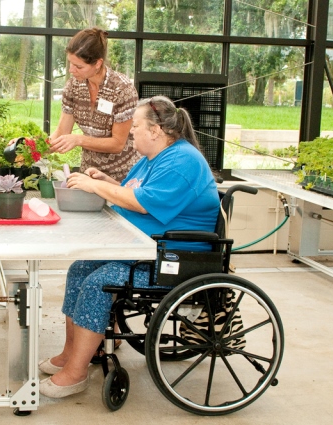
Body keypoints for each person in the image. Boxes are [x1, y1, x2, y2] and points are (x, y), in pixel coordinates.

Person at [38, 96, 220, 398]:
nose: (131, 131)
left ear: (156, 130)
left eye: (135, 126)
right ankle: (70, 354)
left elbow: (142, 204)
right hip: (147, 250)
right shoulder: (155, 159)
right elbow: (133, 192)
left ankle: (76, 372)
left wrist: (95, 186)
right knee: (79, 268)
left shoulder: (182, 161)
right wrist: (107, 180)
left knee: (100, 282)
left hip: (172, 260)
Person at [50, 27, 141, 182]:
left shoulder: (122, 89)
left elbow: (117, 144)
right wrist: (29, 146)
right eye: (70, 63)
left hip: (122, 177)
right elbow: (61, 133)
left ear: (98, 63)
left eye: (79, 66)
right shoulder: (73, 87)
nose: (72, 70)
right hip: (89, 175)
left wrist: (78, 140)